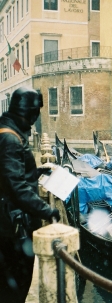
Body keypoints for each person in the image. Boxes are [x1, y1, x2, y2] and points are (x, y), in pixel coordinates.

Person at [0, 87, 60, 303]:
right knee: (15, 288)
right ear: (30, 113)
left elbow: (11, 176)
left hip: (10, 225)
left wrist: (37, 172)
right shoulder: (10, 139)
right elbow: (16, 188)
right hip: (13, 229)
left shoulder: (8, 131)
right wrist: (48, 210)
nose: (34, 121)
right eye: (35, 114)